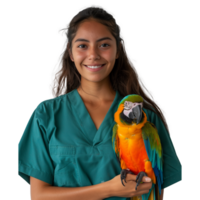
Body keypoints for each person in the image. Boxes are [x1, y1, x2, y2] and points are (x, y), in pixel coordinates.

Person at [16, 2, 184, 200]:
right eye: (82, 46)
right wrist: (109, 189)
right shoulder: (46, 114)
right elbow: (38, 195)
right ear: (70, 52)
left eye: (104, 45)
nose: (93, 55)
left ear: (118, 50)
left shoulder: (145, 118)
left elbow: (155, 193)